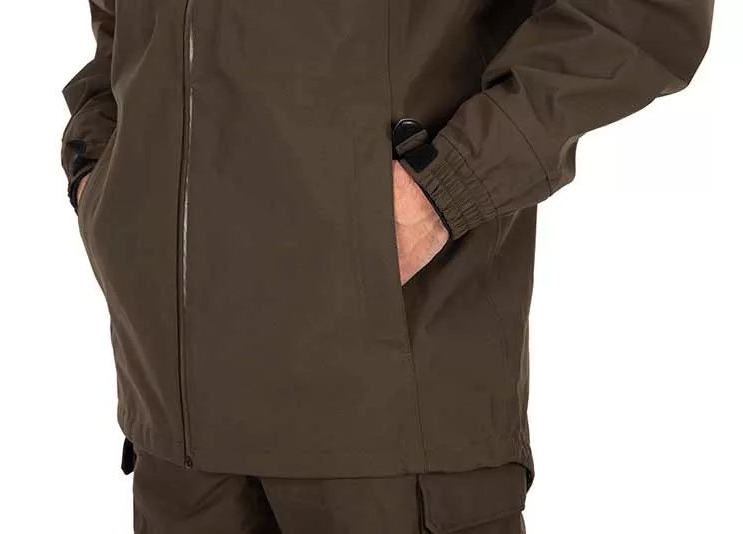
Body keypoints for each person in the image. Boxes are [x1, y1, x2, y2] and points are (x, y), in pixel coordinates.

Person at [61, 1, 713, 532]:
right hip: (173, 423)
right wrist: (99, 167)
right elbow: (120, 27)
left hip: (385, 412)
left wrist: (449, 185)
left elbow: (642, 14)